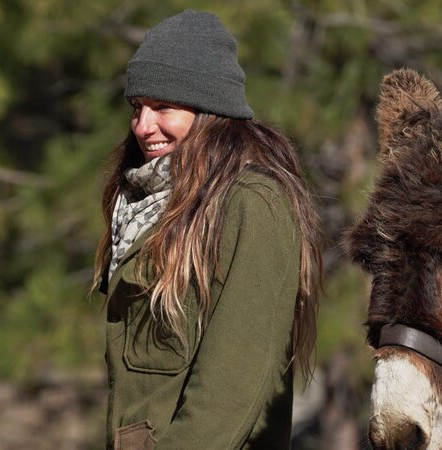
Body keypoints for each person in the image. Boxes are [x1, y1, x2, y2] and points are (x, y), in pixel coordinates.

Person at [92, 10, 324, 450]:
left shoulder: (253, 204)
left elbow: (231, 390)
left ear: (210, 111)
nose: (143, 126)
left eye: (163, 107)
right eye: (137, 107)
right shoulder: (153, 204)